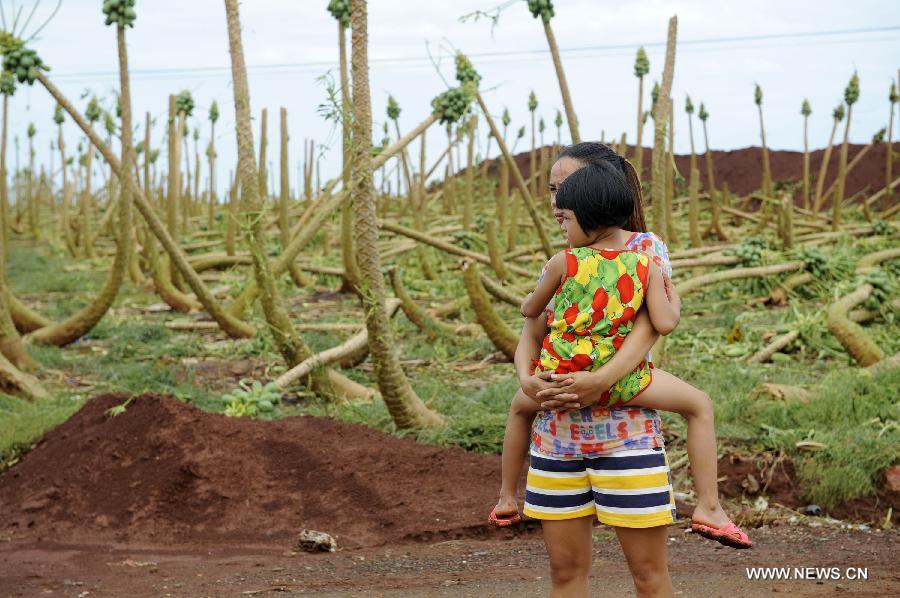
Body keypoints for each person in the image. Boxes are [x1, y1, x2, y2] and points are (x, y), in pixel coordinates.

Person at [488, 143, 750, 597]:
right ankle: (709, 505)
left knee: (648, 578)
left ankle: (507, 495)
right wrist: (527, 379)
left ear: (595, 195)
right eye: (552, 191)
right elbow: (535, 328)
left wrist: (598, 381)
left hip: (623, 435)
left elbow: (648, 329)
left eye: (565, 191)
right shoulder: (582, 259)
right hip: (559, 441)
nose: (556, 203)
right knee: (565, 576)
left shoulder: (640, 250)